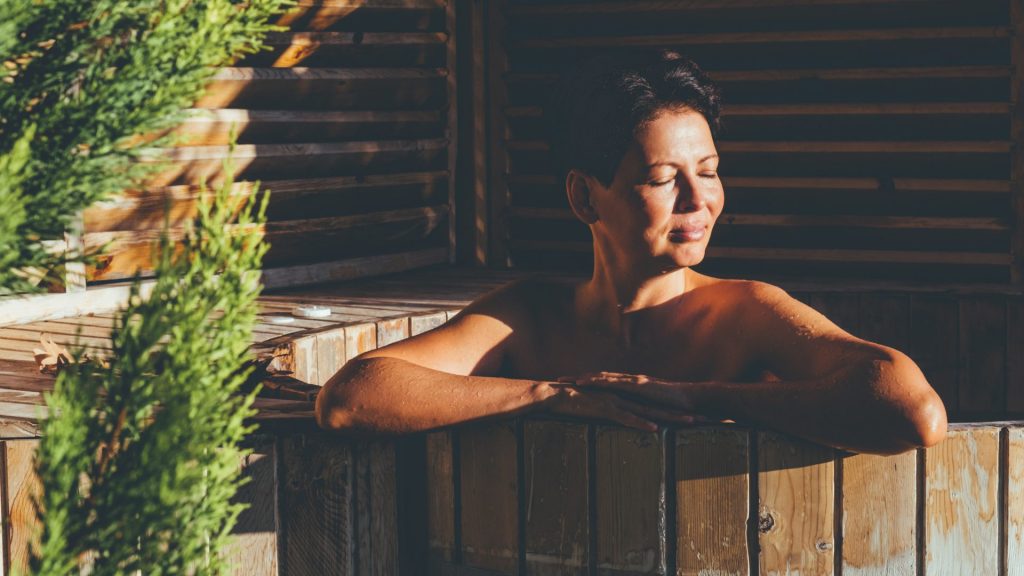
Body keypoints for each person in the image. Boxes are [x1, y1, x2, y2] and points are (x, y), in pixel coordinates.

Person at [315, 50, 947, 455]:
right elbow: (351, 397)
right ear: (586, 198)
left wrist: (702, 396)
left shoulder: (746, 312)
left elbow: (912, 412)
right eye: (663, 178)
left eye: (710, 170)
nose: (698, 200)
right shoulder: (528, 318)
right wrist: (552, 396)